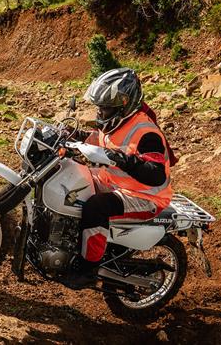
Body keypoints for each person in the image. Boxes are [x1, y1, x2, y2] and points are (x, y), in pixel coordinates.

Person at [62, 68, 173, 289]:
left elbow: (155, 173)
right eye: (99, 108)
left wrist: (119, 159)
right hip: (114, 183)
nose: (100, 113)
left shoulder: (147, 132)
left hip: (144, 196)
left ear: (124, 104)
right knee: (71, 177)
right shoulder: (119, 122)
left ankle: (88, 268)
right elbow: (104, 140)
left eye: (105, 108)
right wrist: (77, 135)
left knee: (96, 207)